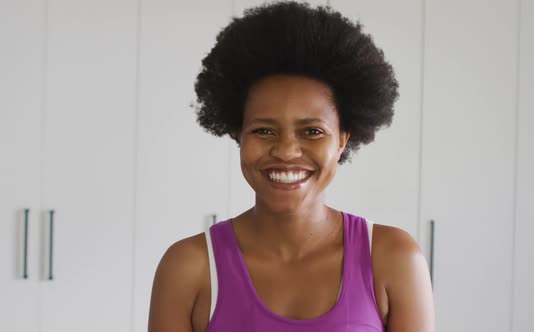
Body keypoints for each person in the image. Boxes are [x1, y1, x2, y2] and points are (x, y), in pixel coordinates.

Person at [148, 1, 435, 331]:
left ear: (342, 139)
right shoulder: (188, 267)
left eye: (312, 131)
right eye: (263, 130)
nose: (285, 151)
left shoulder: (393, 259)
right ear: (238, 133)